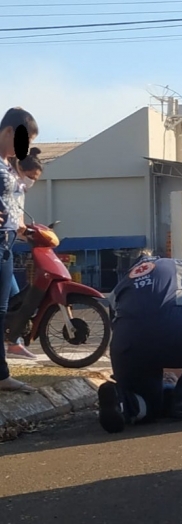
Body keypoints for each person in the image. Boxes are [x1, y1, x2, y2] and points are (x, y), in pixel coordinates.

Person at [97, 250, 182, 433]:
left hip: (127, 350)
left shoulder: (121, 285)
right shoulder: (179, 266)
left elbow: (116, 324)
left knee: (150, 408)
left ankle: (122, 402)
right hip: (180, 337)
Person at [0, 107, 39, 393]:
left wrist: (24, 227)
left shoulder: (8, 165)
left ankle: (1, 376)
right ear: (10, 131)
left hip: (8, 243)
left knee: (2, 313)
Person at [5, 147, 43, 360]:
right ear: (21, 168)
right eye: (31, 177)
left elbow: (17, 220)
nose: (32, 182)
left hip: (7, 244)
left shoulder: (18, 187)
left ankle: (15, 342)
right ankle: (14, 342)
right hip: (3, 244)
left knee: (14, 296)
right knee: (13, 296)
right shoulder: (9, 182)